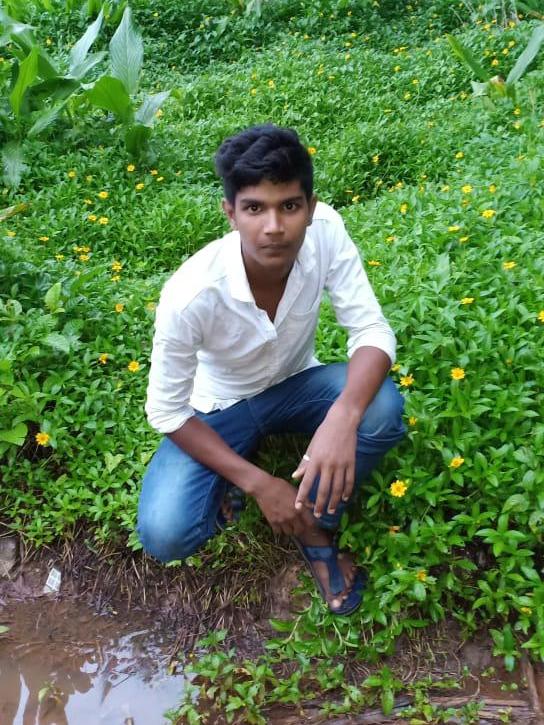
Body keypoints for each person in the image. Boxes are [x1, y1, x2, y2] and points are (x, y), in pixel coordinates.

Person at [137, 124, 405, 615]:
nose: (274, 227)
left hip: (297, 385)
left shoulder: (327, 233)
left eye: (290, 206)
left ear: (311, 206)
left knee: (381, 407)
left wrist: (342, 418)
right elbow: (166, 411)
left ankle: (314, 524)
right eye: (255, 208)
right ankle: (234, 478)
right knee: (165, 532)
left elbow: (371, 329)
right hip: (218, 408)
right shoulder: (191, 293)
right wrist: (260, 483)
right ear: (231, 213)